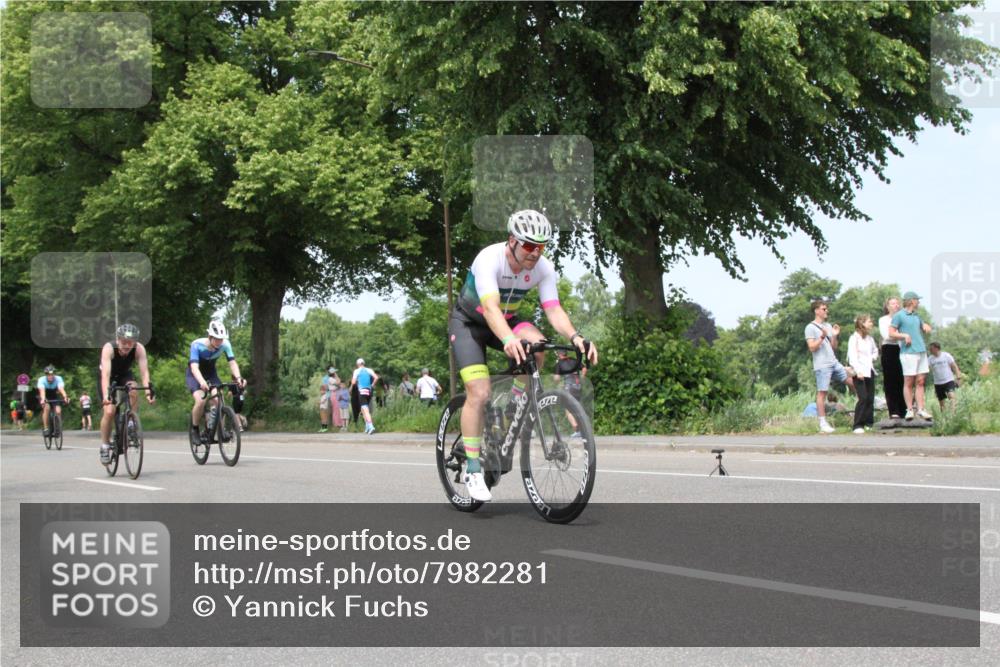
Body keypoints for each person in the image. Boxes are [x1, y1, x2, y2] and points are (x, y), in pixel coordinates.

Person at [448, 209, 598, 502]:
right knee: (478, 392)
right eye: (529, 245)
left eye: (541, 247)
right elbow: (490, 308)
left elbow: (553, 309)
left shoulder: (542, 267)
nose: (535, 253)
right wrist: (506, 338)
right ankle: (474, 468)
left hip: (507, 321)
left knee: (538, 345)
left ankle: (511, 410)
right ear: (512, 241)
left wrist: (576, 337)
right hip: (470, 324)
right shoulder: (489, 259)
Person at [97, 324, 154, 463]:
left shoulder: (139, 349)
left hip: (124, 374)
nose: (127, 345)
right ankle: (104, 445)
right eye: (123, 342)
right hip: (108, 376)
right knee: (110, 411)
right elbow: (105, 375)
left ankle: (131, 424)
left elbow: (144, 372)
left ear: (135, 342)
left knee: (133, 388)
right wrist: (106, 396)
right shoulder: (109, 348)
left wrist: (148, 392)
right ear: (117, 339)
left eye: (130, 342)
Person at [187, 320, 246, 444]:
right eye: (217, 339)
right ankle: (195, 430)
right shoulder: (197, 345)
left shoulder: (225, 344)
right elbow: (194, 368)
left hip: (211, 373)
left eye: (221, 339)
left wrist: (238, 378)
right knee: (201, 400)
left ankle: (218, 430)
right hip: (195, 374)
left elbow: (232, 362)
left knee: (219, 400)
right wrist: (202, 382)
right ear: (210, 336)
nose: (220, 342)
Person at [805, 300, 853, 434]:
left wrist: (835, 336)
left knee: (853, 383)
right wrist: (821, 337)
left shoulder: (828, 325)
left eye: (826, 309)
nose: (827, 311)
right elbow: (812, 347)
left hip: (834, 362)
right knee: (822, 392)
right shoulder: (810, 327)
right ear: (816, 311)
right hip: (822, 365)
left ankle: (859, 415)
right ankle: (822, 422)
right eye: (824, 309)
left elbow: (833, 347)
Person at [888, 291, 933, 421]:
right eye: (917, 300)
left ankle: (921, 409)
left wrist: (925, 325)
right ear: (912, 301)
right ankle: (909, 410)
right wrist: (904, 335)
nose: (919, 302)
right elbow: (891, 333)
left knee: (921, 381)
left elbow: (922, 326)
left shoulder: (917, 315)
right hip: (908, 353)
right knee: (909, 382)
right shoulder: (899, 316)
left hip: (921, 351)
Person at [847, 314, 878, 434]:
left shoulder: (870, 339)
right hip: (859, 372)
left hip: (869, 370)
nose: (871, 323)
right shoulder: (854, 338)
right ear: (862, 324)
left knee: (870, 397)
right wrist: (858, 371)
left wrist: (873, 357)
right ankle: (857, 424)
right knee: (863, 397)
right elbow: (852, 356)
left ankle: (869, 423)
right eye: (869, 321)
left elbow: (875, 350)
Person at [878, 296, 907, 419]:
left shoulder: (903, 318)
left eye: (897, 303)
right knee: (890, 381)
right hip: (889, 349)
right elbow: (887, 335)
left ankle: (904, 409)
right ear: (888, 306)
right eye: (892, 303)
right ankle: (893, 410)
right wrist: (902, 335)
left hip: (902, 349)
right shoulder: (883, 320)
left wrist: (899, 335)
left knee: (903, 379)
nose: (895, 305)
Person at [553, 349, 587, 437]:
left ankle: (577, 430)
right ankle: (583, 429)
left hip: (569, 387)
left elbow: (556, 379)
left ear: (559, 355)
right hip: (578, 386)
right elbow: (584, 368)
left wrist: (556, 376)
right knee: (577, 408)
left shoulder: (559, 363)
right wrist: (582, 378)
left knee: (568, 410)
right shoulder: (574, 360)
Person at [37, 365, 70, 439]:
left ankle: (57, 428)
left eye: (52, 374)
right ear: (46, 375)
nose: (51, 376)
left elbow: (61, 389)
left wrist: (65, 397)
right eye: (49, 375)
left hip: (54, 395)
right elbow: (42, 391)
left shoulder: (58, 379)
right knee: (47, 408)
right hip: (45, 395)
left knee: (58, 411)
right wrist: (43, 399)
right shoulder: (41, 380)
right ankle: (46, 428)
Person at [928, 342, 962, 410]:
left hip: (948, 380)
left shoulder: (946, 355)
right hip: (938, 383)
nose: (930, 350)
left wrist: (958, 377)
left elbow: (954, 366)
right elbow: (927, 369)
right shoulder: (930, 359)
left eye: (931, 349)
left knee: (951, 396)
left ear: (936, 348)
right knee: (941, 402)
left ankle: (953, 414)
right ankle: (944, 417)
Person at [350, 358, 379, 434]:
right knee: (363, 409)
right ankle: (367, 427)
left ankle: (371, 426)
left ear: (357, 364)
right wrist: (372, 385)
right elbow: (376, 377)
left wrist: (356, 381)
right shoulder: (369, 370)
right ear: (364, 363)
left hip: (362, 391)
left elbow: (353, 382)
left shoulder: (357, 371)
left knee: (365, 410)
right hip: (369, 391)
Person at [318, 367, 339, 433]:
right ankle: (324, 427)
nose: (321, 392)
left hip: (327, 402)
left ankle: (326, 427)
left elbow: (338, 383)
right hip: (325, 403)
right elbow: (338, 383)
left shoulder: (325, 396)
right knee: (323, 417)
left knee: (326, 416)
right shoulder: (327, 379)